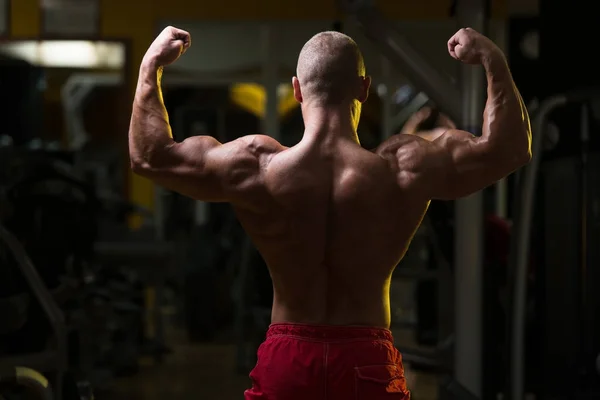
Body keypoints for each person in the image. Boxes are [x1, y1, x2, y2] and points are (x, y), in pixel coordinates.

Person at [129, 26, 531, 400]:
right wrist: (493, 59)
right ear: (364, 88)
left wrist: (150, 67)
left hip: (289, 357)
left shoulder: (255, 166)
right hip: (365, 356)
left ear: (297, 90)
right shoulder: (403, 167)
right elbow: (509, 149)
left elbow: (149, 157)